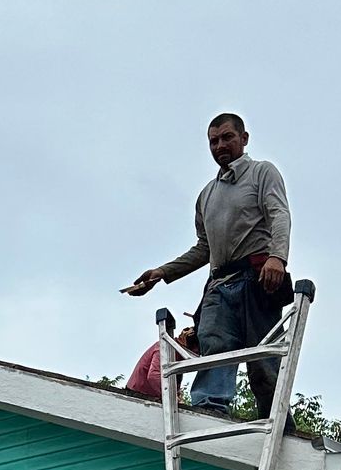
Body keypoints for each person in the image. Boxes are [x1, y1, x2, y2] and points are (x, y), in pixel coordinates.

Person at [125, 112, 293, 413]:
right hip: (219, 285)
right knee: (214, 347)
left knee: (263, 358)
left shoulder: (261, 173)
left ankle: (276, 418)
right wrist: (162, 273)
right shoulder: (207, 195)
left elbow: (279, 214)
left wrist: (277, 257)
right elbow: (204, 248)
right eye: (213, 141)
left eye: (227, 137)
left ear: (244, 138)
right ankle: (210, 409)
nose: (220, 146)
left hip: (256, 278)